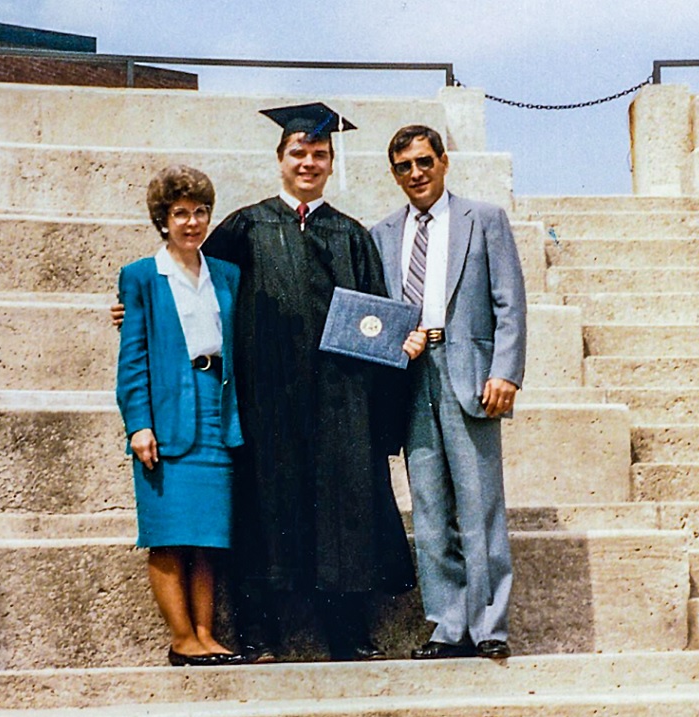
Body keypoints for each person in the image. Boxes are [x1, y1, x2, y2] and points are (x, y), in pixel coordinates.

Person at [199, 103, 421, 663]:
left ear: (330, 163)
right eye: (299, 153)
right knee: (263, 507)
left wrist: (381, 410)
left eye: (319, 154)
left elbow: (377, 322)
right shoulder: (247, 226)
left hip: (339, 403)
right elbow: (196, 287)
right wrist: (142, 309)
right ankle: (259, 633)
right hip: (266, 398)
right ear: (280, 160)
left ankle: (346, 633)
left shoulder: (351, 236)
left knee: (344, 512)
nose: (309, 162)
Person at [369, 124, 527, 660]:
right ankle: (447, 624)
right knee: (431, 508)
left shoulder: (482, 220)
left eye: (424, 162)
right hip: (411, 377)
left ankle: (489, 626)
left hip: (471, 373)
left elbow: (510, 303)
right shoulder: (383, 233)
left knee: (480, 504)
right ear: (394, 174)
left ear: (443, 162)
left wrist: (505, 372)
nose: (416, 173)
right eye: (404, 167)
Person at [116, 165, 245, 667]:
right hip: (168, 413)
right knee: (169, 536)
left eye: (200, 212)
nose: (192, 222)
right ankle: (181, 638)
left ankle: (206, 634)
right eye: (180, 213)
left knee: (209, 537)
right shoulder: (142, 277)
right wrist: (138, 423)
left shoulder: (226, 275)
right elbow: (133, 360)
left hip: (218, 408)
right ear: (162, 220)